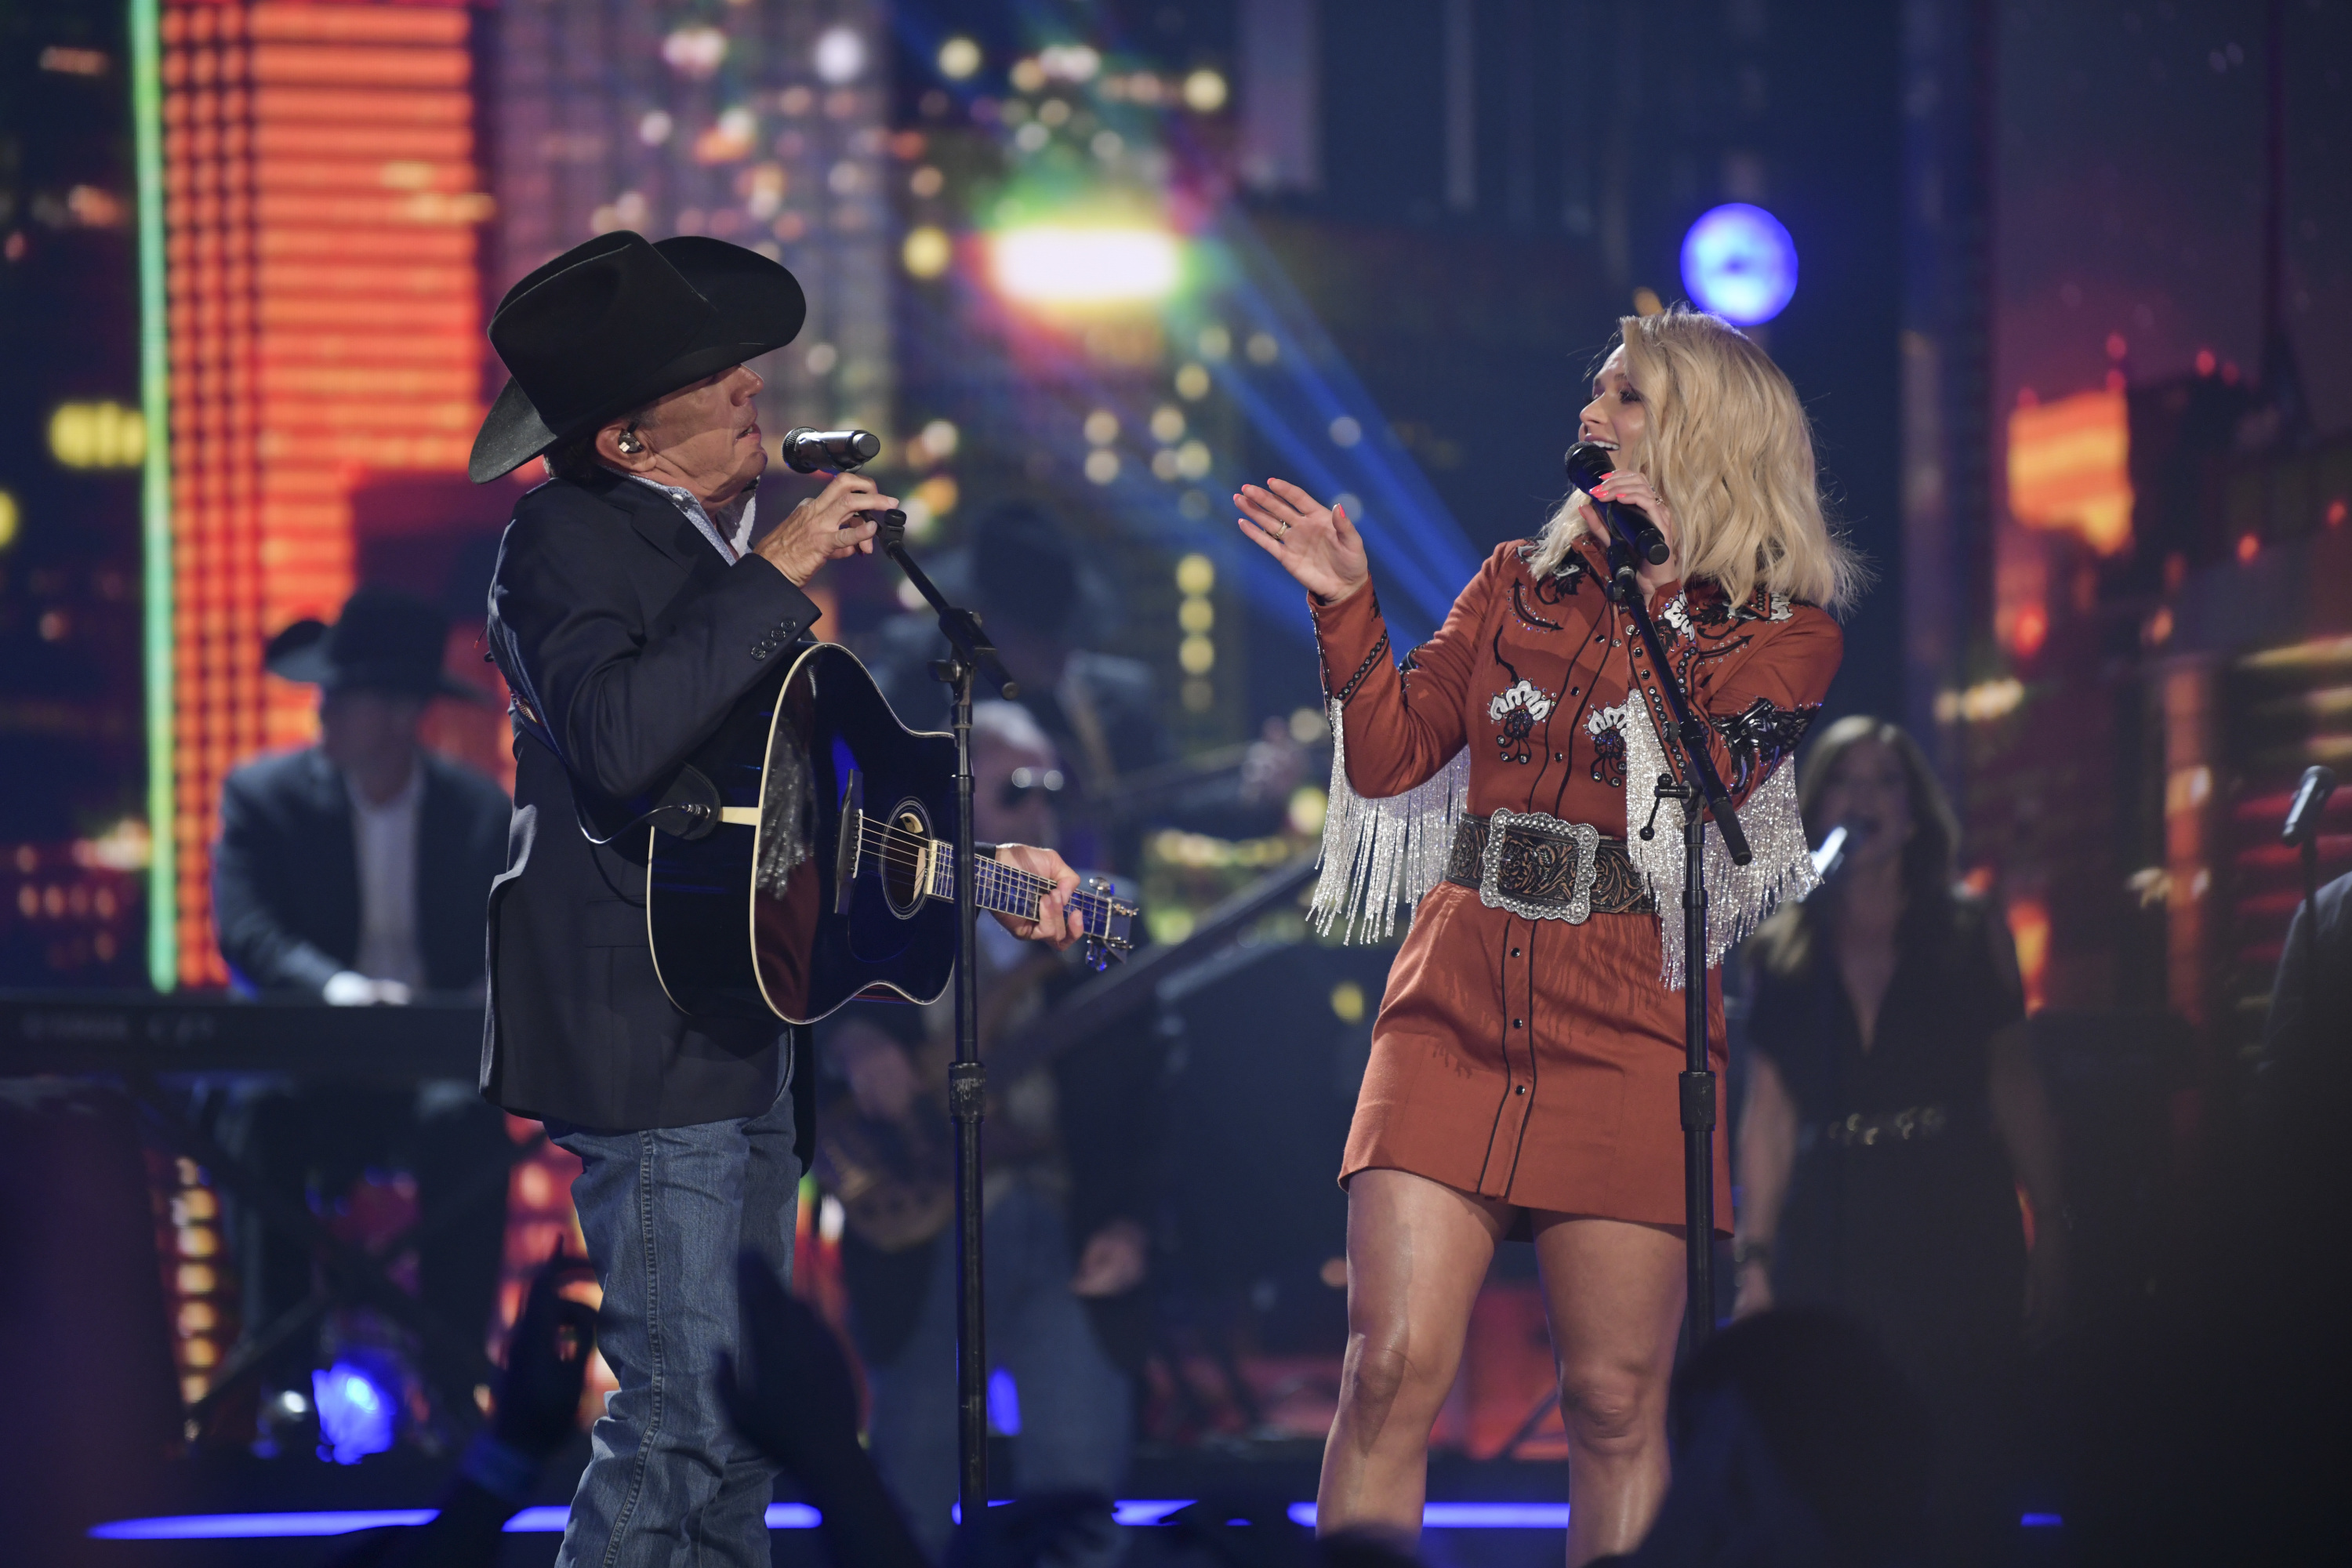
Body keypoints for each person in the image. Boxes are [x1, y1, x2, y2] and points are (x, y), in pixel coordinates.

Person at [469, 230, 1085, 1568]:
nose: (752, 382)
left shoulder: (717, 554)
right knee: (680, 1418)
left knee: (745, 1430)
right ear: (630, 436)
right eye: (712, 374)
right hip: (646, 1032)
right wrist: (781, 566)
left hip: (750, 1025)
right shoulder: (560, 539)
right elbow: (622, 738)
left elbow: (810, 810)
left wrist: (988, 870)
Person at [1235, 304, 1856, 1564]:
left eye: (1627, 398)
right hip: (1454, 997)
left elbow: (1694, 790)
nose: (1592, 413)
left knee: (1616, 1403)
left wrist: (1657, 593)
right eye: (1597, 394)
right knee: (1389, 1364)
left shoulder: (1787, 635)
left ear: (1706, 438)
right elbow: (1397, 750)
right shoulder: (1514, 578)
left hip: (1630, 1016)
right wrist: (1348, 612)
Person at [822, 700, 1152, 1560]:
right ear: (956, 804)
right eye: (1013, 790)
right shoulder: (881, 915)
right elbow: (797, 1010)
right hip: (926, 1233)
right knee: (911, 1493)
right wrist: (853, 1039)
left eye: (1049, 788)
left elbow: (1158, 1102)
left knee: (1077, 1503)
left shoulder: (1104, 927)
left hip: (1066, 1228)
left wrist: (1135, 1221)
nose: (1038, 807)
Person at [1732, 717, 2067, 1561]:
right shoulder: (1784, 945)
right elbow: (1767, 1112)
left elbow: (2015, 1080)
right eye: (1848, 780)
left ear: (1915, 811)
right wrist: (1757, 1262)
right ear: (1819, 804)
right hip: (1835, 1215)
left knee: (1961, 1465)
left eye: (1886, 781)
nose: (1866, 797)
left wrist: (2055, 1226)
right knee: (1840, 1466)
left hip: (1954, 1206)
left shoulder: (1968, 929)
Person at [211, 585, 514, 1425]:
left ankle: (451, 1383)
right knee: (259, 1116)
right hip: (313, 1070)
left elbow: (514, 940)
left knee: (471, 1128)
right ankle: (282, 1381)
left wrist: (452, 1009)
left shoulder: (479, 810)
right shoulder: (261, 798)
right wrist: (341, 993)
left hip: (431, 1076)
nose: (325, 709)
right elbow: (249, 934)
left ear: (403, 711)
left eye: (345, 693)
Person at [862, 502, 1302, 874]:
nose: (1061, 652)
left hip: (1078, 951)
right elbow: (858, 777)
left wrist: (1258, 799)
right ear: (986, 619)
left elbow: (1179, 802)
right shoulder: (911, 671)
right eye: (1039, 638)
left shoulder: (1111, 701)